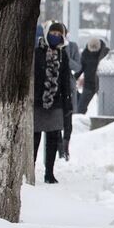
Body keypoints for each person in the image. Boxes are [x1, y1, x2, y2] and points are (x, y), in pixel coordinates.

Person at [34, 21, 74, 184]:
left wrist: (67, 103)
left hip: (56, 102)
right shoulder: (37, 52)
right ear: (46, 33)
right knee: (34, 138)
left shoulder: (63, 55)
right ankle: (30, 169)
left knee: (52, 138)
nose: (55, 37)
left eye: (59, 35)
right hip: (37, 102)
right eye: (52, 33)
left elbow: (65, 80)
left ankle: (49, 172)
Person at [77, 37, 110, 113]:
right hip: (89, 85)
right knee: (81, 107)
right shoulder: (85, 54)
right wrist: (73, 77)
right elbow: (80, 68)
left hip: (102, 84)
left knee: (106, 107)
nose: (93, 52)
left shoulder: (105, 53)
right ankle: (78, 122)